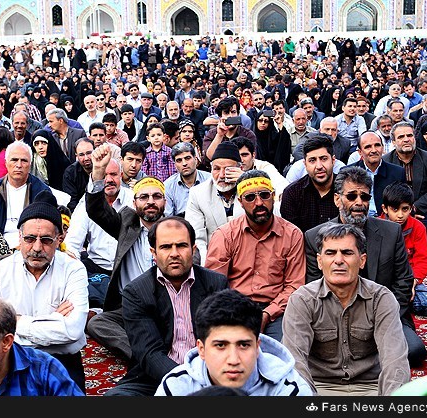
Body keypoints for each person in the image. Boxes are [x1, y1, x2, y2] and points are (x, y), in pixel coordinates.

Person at [304, 166, 427, 368]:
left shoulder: (391, 232)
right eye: (351, 196)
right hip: (335, 320)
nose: (359, 203)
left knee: (414, 351)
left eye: (364, 196)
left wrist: (382, 317)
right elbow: (314, 287)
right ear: (337, 199)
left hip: (384, 316)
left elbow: (404, 282)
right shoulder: (315, 236)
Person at [105, 216, 229, 396]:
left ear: (193, 249)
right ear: (153, 253)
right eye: (165, 247)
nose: (174, 253)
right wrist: (186, 383)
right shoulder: (137, 292)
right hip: (156, 377)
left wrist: (205, 380)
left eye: (181, 245)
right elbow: (150, 354)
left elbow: (224, 340)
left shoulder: (215, 284)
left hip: (209, 374)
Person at [282, 223, 411, 396]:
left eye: (347, 253)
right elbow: (294, 361)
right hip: (319, 387)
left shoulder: (381, 299)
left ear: (362, 260)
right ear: (320, 261)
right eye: (330, 253)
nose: (338, 260)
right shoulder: (302, 300)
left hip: (371, 387)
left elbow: (395, 361)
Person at [0, 198, 89, 393]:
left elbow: (74, 331)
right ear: (19, 238)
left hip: (62, 361)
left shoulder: (74, 269)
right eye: (30, 239)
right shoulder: (0, 271)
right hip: (12, 360)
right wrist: (56, 320)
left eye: (46, 240)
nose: (37, 248)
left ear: (59, 240)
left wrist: (16, 322)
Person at [85, 143, 166, 361]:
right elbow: (96, 210)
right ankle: (143, 357)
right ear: (134, 202)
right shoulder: (126, 222)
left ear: (165, 202)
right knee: (98, 323)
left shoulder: (174, 229)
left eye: (156, 197)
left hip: (164, 307)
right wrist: (98, 172)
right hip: (128, 306)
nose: (150, 202)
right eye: (144, 197)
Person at [204, 169, 306, 342]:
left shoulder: (292, 234)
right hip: (232, 307)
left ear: (273, 196)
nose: (259, 202)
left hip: (277, 310)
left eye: (264, 195)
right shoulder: (225, 235)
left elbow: (294, 286)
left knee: (283, 352)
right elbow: (214, 285)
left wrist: (267, 313)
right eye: (250, 197)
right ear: (240, 202)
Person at [156, 289, 313, 396]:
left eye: (244, 345)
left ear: (258, 346)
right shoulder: (176, 387)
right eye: (220, 346)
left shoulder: (289, 388)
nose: (233, 360)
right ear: (201, 349)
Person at [64, 157, 134, 283]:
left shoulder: (134, 199)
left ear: (121, 175)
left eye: (113, 174)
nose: (108, 180)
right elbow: (72, 242)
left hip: (128, 268)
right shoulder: (86, 203)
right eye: (103, 175)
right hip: (96, 268)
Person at [0, 140, 52, 249]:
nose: (19, 165)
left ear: (30, 164)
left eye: (24, 161)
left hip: (32, 246)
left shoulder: (42, 192)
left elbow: (46, 229)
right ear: (6, 163)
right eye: (14, 160)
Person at [382, 121, 427, 244]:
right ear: (393, 142)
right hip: (394, 210)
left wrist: (413, 208)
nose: (406, 140)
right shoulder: (385, 161)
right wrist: (402, 211)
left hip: (424, 208)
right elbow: (383, 190)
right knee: (384, 230)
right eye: (401, 137)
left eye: (409, 136)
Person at [185, 141, 245, 265]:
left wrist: (246, 182)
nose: (222, 175)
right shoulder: (198, 193)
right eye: (216, 169)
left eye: (228, 169)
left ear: (240, 169)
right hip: (214, 260)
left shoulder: (250, 191)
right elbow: (197, 238)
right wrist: (207, 270)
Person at [380, 182, 427, 286]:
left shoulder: (418, 227)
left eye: (405, 209)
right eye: (395, 209)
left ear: (411, 208)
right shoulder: (376, 226)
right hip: (381, 278)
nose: (400, 215)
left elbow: (422, 259)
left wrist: (414, 281)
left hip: (410, 277)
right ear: (385, 208)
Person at [346, 131, 405, 217]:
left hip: (388, 222)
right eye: (368, 147)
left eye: (377, 145)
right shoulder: (348, 173)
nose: (374, 150)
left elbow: (402, 202)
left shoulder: (398, 173)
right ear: (360, 152)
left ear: (382, 147)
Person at [163, 142, 211, 217]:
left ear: (196, 159)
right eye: (179, 160)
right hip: (180, 225)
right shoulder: (168, 186)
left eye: (187, 158)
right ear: (175, 164)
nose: (184, 163)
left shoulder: (209, 180)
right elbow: (168, 216)